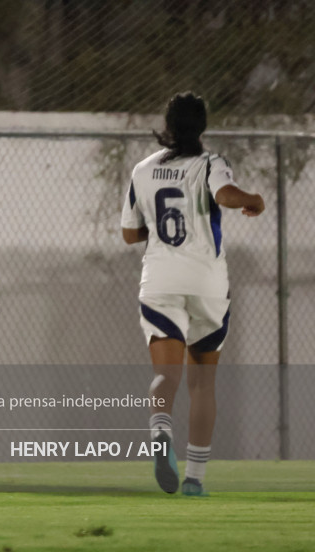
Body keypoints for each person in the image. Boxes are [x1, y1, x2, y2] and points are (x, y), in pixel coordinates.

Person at [121, 92, 264, 496]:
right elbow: (225, 196)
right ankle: (195, 480)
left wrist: (162, 225)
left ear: (166, 127)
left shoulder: (143, 170)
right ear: (202, 127)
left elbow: (130, 234)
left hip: (161, 281)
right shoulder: (211, 164)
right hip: (206, 284)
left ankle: (160, 432)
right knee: (203, 383)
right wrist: (253, 200)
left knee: (165, 376)